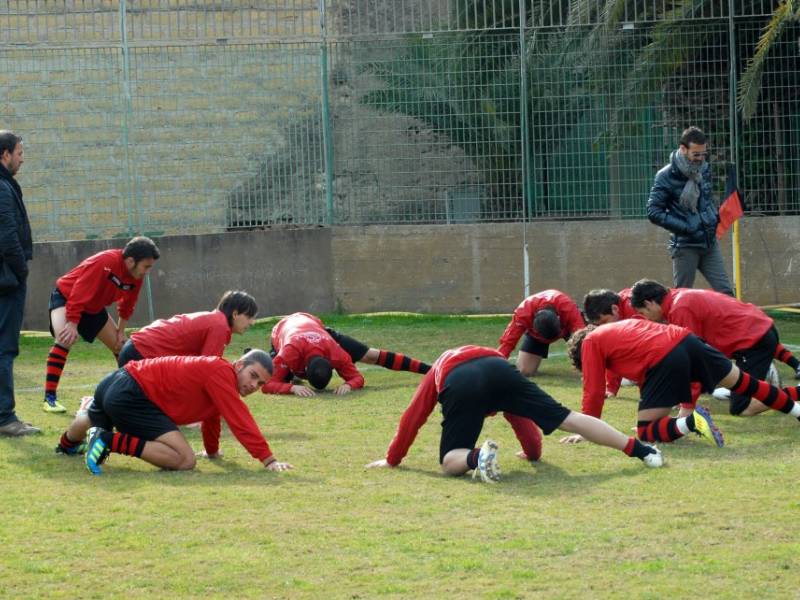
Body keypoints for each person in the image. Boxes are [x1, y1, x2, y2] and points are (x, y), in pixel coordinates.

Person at [366, 345, 664, 483]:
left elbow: (413, 418)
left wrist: (393, 459)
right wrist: (532, 453)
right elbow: (521, 419)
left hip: (460, 380)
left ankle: (476, 457)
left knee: (449, 460)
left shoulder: (438, 371)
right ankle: (642, 450)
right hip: (499, 368)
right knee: (567, 418)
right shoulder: (490, 359)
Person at [565, 319, 800, 448]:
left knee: (647, 432)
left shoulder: (591, 344)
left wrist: (588, 429)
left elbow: (593, 391)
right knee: (748, 385)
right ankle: (798, 411)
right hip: (688, 340)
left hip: (665, 356)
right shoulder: (618, 328)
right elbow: (646, 369)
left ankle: (692, 422)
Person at [54, 349, 292, 475]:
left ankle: (66, 445)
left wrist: (212, 452)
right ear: (239, 365)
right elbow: (240, 419)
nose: (253, 386)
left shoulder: (219, 376)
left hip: (116, 382)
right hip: (132, 395)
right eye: (253, 376)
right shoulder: (222, 373)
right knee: (185, 460)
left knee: (89, 418)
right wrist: (268, 459)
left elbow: (212, 417)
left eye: (260, 384)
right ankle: (107, 440)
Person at [630, 279, 800, 417]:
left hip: (754, 343)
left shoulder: (680, 308)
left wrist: (686, 409)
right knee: (718, 384)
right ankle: (764, 382)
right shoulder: (678, 298)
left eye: (643, 313)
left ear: (649, 303)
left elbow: (693, 361)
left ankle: (793, 392)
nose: (647, 319)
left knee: (741, 408)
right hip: (757, 334)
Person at [43, 236, 160, 413]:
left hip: (94, 308)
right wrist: (73, 323)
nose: (147, 271)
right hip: (67, 297)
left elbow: (128, 304)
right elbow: (79, 291)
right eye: (146, 266)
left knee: (122, 347)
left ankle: (136, 396)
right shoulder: (105, 262)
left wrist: (120, 331)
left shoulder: (136, 275)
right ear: (130, 261)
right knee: (64, 339)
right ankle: (49, 399)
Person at [647, 126, 734, 295]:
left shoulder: (704, 169)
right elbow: (653, 211)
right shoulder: (665, 176)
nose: (701, 159)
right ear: (683, 149)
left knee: (726, 293)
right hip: (685, 246)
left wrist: (713, 218)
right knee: (682, 297)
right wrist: (686, 227)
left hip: (709, 241)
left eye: (703, 154)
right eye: (696, 154)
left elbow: (705, 199)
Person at [261, 312, 430, 396]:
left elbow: (358, 378)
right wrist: (292, 388)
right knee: (275, 374)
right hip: (283, 330)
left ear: (332, 363)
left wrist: (349, 384)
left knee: (371, 355)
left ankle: (431, 369)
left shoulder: (337, 353)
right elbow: (267, 385)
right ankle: (257, 356)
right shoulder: (289, 352)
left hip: (318, 330)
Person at [0, 131, 38, 436]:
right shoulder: (2, 188)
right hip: (7, 281)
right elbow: (7, 237)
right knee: (5, 348)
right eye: (19, 152)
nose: (22, 158)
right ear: (5, 155)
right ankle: (5, 417)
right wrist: (21, 271)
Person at [117, 290, 258, 366]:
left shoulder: (216, 321)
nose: (252, 322)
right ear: (235, 314)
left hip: (136, 348)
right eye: (249, 316)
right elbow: (206, 370)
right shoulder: (219, 326)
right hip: (140, 353)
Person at [498, 289, 585, 376]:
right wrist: (496, 365)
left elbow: (583, 337)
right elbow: (508, 343)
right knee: (524, 371)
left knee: (585, 350)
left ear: (559, 318)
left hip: (567, 329)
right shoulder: (523, 312)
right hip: (537, 337)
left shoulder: (568, 307)